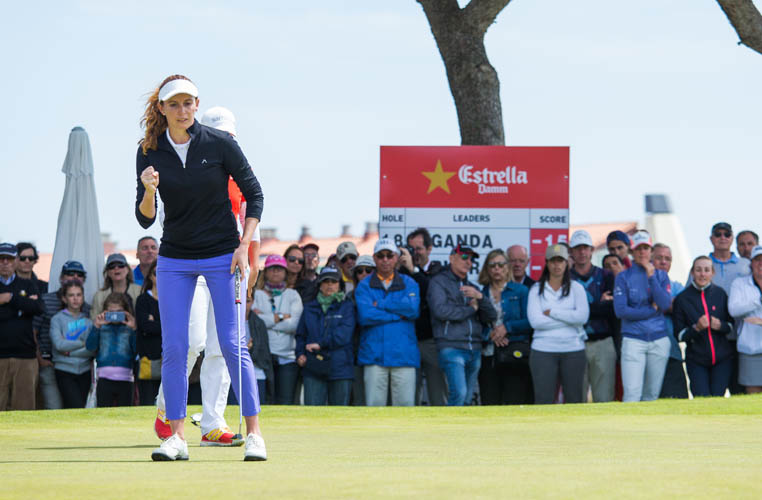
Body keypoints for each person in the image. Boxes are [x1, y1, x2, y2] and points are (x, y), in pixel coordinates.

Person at [135, 75, 265, 461]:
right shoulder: (149, 151)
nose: (182, 110)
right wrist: (148, 190)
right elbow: (145, 219)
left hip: (222, 255)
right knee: (175, 347)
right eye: (174, 104)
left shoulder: (220, 144)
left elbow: (255, 195)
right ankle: (176, 437)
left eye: (188, 103)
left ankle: (255, 433)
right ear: (161, 108)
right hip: (174, 258)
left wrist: (244, 246)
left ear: (196, 104)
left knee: (230, 344)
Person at [429, 244, 497, 406]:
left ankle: (461, 430)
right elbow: (441, 311)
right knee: (459, 394)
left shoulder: (473, 288)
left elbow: (491, 316)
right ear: (452, 258)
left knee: (466, 399)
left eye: (471, 259)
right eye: (464, 257)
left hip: (474, 349)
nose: (468, 262)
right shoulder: (438, 282)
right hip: (452, 347)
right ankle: (448, 430)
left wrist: (480, 298)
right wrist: (470, 309)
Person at [355, 239, 420, 406]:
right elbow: (366, 316)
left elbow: (412, 310)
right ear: (374, 258)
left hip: (403, 356)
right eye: (381, 256)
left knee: (405, 411)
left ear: (396, 258)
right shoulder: (364, 285)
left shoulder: (410, 282)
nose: (385, 259)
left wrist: (382, 305)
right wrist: (398, 315)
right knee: (374, 411)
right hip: (374, 356)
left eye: (389, 255)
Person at [613, 230, 673, 402]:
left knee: (651, 395)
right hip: (633, 340)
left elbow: (664, 304)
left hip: (658, 340)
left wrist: (651, 277)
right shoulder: (623, 277)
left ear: (651, 251)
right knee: (632, 394)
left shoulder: (661, 275)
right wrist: (650, 311)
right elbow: (621, 311)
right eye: (638, 249)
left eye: (646, 248)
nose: (642, 252)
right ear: (632, 251)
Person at [526, 244, 589, 404]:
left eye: (560, 261)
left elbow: (582, 317)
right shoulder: (536, 289)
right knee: (543, 400)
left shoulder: (577, 288)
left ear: (567, 262)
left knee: (574, 399)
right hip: (543, 350)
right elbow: (535, 322)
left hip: (573, 349)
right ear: (547, 263)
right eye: (553, 261)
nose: (557, 265)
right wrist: (569, 320)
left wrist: (552, 313)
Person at [477, 249, 532, 405]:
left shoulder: (521, 291)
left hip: (514, 353)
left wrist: (506, 328)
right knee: (490, 402)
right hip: (488, 354)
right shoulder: (481, 294)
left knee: (514, 402)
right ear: (487, 269)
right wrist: (491, 334)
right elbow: (475, 325)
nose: (497, 269)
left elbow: (530, 321)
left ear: (507, 267)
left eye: (501, 265)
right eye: (492, 265)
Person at [673, 256, 734, 397]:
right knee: (702, 399)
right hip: (697, 360)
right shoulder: (682, 299)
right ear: (692, 273)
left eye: (706, 270)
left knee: (718, 399)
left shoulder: (720, 294)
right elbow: (679, 335)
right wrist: (697, 328)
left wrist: (720, 326)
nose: (702, 274)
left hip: (722, 359)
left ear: (712, 273)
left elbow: (731, 326)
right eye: (698, 270)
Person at [33, 260, 89, 410]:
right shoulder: (45, 300)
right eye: (70, 273)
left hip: (81, 367)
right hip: (49, 362)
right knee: (54, 407)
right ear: (61, 277)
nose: (75, 277)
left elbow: (92, 344)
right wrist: (40, 359)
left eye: (79, 274)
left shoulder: (87, 311)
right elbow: (34, 332)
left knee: (76, 407)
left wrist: (73, 349)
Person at [701, 222, 749, 396]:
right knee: (715, 392)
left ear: (731, 238)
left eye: (726, 234)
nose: (722, 237)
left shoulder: (744, 265)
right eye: (718, 234)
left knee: (740, 389)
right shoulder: (702, 265)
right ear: (711, 238)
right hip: (712, 336)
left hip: (740, 335)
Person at [295, 267, 356, 405]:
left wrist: (321, 344)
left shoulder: (347, 306)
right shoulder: (309, 307)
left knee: (340, 417)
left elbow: (344, 335)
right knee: (313, 414)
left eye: (333, 282)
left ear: (340, 285)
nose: (329, 285)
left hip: (340, 366)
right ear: (319, 285)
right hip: (313, 365)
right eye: (325, 281)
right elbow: (300, 334)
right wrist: (300, 354)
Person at [569, 230, 616, 403]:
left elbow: (611, 309)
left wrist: (580, 311)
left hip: (602, 342)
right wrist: (599, 304)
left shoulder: (606, 275)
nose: (582, 252)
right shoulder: (566, 278)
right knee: (576, 399)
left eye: (585, 248)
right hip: (574, 343)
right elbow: (566, 312)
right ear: (571, 252)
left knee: (604, 399)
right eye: (578, 248)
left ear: (592, 250)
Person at [251, 255, 303, 404]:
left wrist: (268, 320)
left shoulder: (293, 295)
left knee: (285, 400)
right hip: (264, 355)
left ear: (285, 272)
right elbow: (256, 323)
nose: (275, 272)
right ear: (265, 272)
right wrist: (281, 316)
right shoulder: (257, 295)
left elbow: (294, 324)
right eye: (272, 269)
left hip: (288, 357)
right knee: (265, 400)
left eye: (279, 269)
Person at [406, 228, 447, 406]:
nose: (415, 253)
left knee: (439, 395)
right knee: (410, 396)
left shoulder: (442, 271)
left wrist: (414, 271)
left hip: (432, 341)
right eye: (411, 249)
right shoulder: (401, 272)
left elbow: (432, 293)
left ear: (429, 249)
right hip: (408, 341)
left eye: (419, 249)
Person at [0, 243, 44, 410]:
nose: (5, 262)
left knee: (24, 409)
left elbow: (39, 308)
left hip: (25, 357)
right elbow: (29, 307)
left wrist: (9, 298)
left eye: (9, 259)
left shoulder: (27, 284)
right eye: (1, 258)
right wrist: (23, 306)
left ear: (16, 261)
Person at [87, 292, 137, 407]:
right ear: (104, 312)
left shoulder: (129, 329)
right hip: (104, 379)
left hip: (126, 379)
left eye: (119, 312)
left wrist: (134, 329)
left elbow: (137, 350)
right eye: (111, 312)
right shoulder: (101, 327)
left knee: (125, 414)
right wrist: (96, 327)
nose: (115, 316)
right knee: (103, 413)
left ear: (126, 312)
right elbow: (90, 347)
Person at [49, 280, 94, 408]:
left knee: (81, 408)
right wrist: (82, 343)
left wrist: (69, 351)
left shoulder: (88, 322)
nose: (75, 299)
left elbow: (91, 348)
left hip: (84, 370)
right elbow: (59, 345)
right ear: (64, 298)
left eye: (79, 295)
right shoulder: (57, 319)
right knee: (75, 405)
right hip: (64, 370)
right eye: (71, 295)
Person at [652, 243, 689, 399]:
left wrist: (656, 304)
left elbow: (684, 309)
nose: (663, 262)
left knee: (678, 401)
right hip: (648, 354)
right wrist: (668, 304)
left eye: (668, 259)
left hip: (672, 352)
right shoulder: (640, 284)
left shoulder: (677, 287)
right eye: (659, 258)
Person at [728, 245, 762, 394]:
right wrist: (758, 300)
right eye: (757, 260)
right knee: (753, 392)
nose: (761, 264)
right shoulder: (739, 284)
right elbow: (734, 310)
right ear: (751, 263)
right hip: (750, 348)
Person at [348, 255, 375, 405]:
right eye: (359, 271)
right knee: (359, 398)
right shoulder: (349, 297)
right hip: (356, 351)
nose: (363, 274)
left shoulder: (384, 293)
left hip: (377, 350)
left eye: (368, 270)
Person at [135, 261, 162, 406]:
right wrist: (164, 323)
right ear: (151, 277)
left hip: (169, 358)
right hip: (148, 359)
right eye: (157, 274)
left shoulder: (174, 299)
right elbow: (145, 327)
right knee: (147, 403)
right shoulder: (143, 300)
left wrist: (154, 320)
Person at [91, 253, 142, 319]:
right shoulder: (99, 296)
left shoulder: (140, 291)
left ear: (127, 269)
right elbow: (94, 320)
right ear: (107, 272)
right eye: (112, 266)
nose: (116, 268)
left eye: (120, 265)